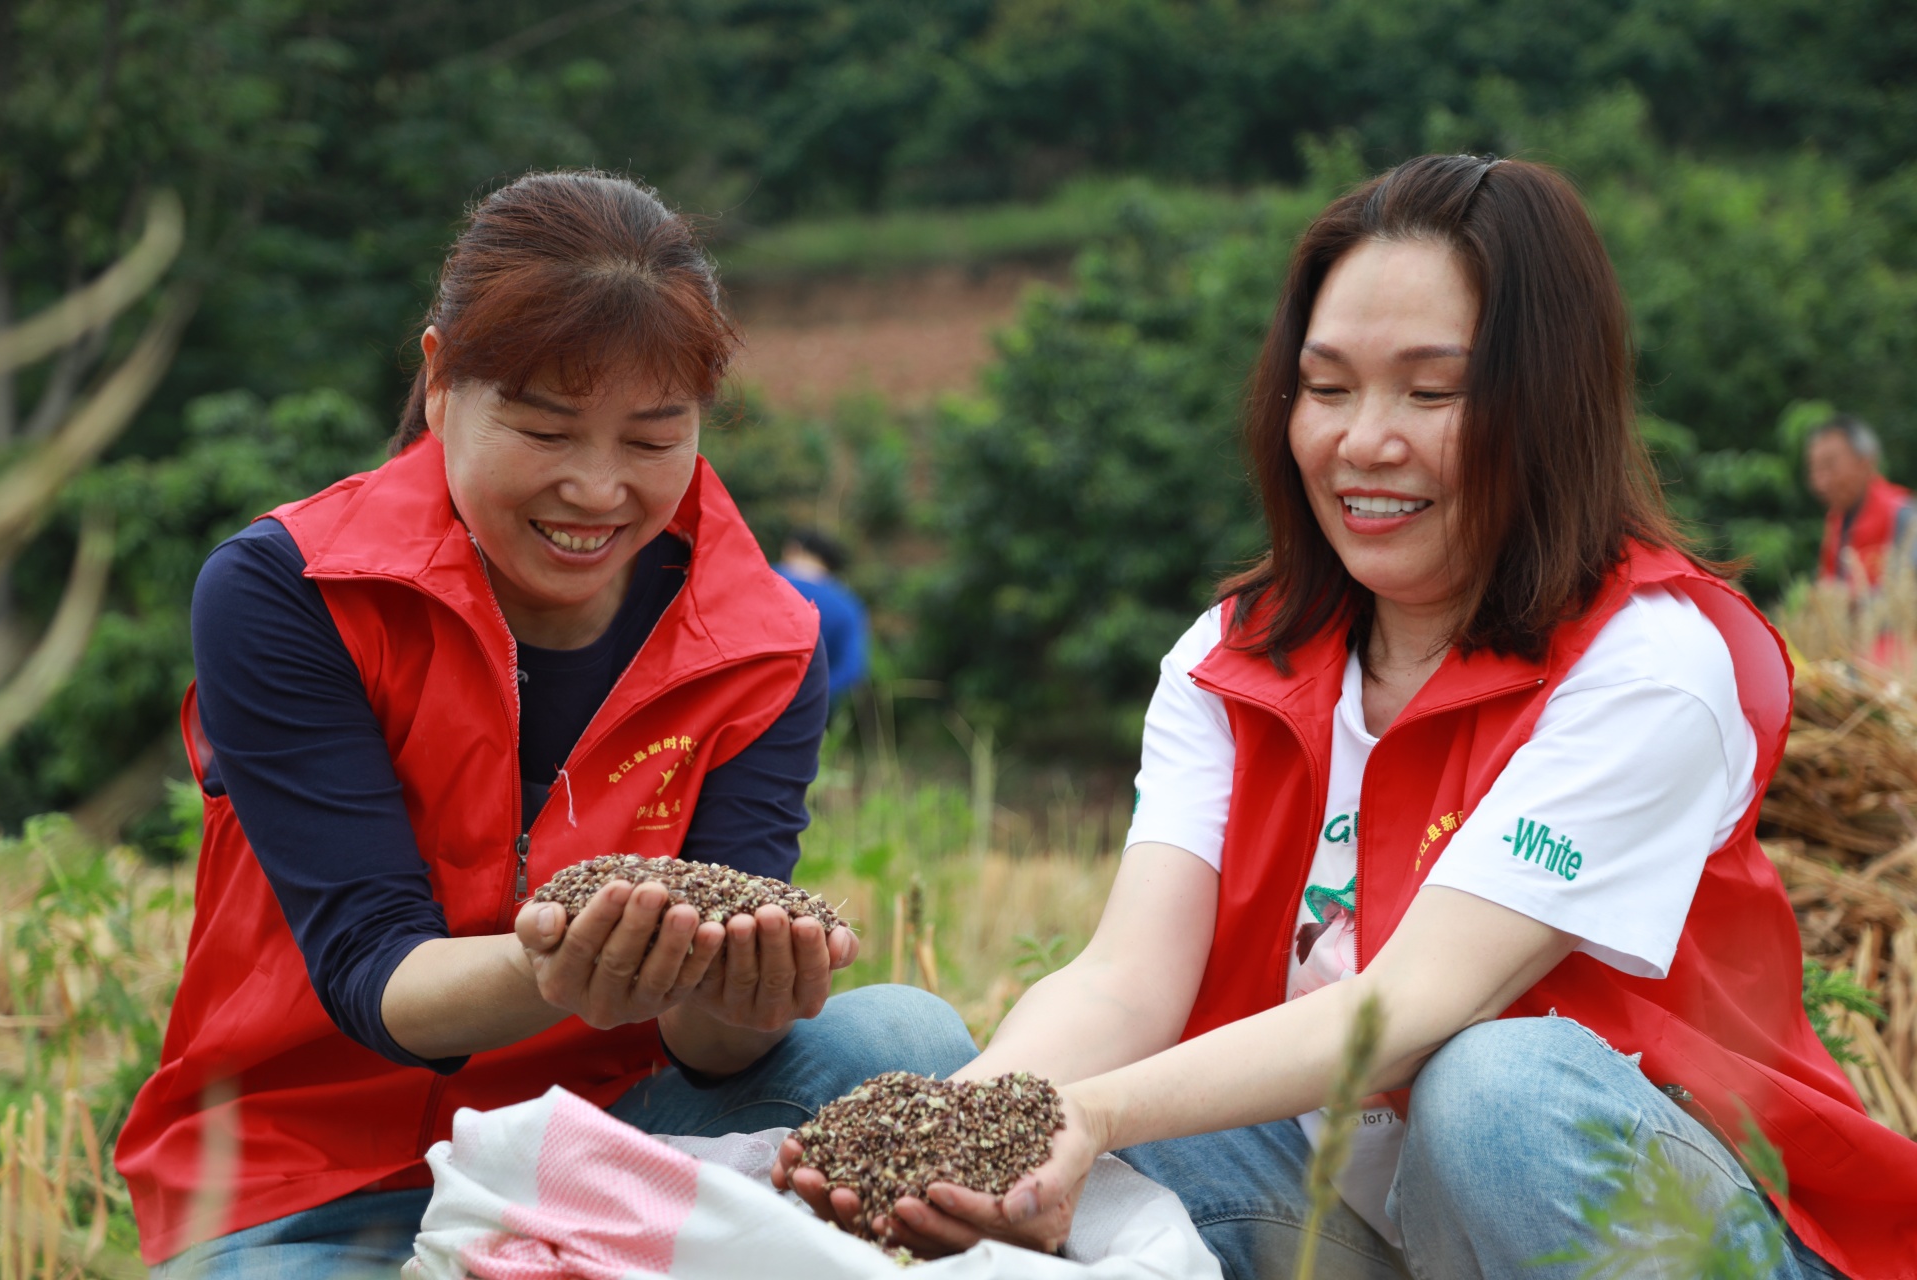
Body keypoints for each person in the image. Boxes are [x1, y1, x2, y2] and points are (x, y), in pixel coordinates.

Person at [777, 156, 1917, 1277]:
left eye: (1432, 391)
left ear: (1551, 402)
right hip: (1354, 1217)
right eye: (1326, 388)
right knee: (1042, 1132)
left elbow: (1412, 1004)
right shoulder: (1232, 658)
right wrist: (976, 1129)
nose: (1364, 441)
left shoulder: (1648, 662)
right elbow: (1129, 977)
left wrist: (1092, 1111)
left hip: (1642, 1217)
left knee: (1495, 1094)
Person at [116, 171, 975, 1277]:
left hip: (611, 1149)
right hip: (311, 1178)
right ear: (438, 381)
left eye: (654, 438)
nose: (597, 489)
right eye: (545, 427)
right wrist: (561, 969)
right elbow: (376, 974)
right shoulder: (296, 590)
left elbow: (709, 1048)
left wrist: (739, 993)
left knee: (906, 1036)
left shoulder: (768, 638)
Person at [1806, 414, 1914, 589]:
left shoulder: (1904, 516)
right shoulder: (1836, 521)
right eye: (1815, 469)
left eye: (1830, 466)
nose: (1820, 483)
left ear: (1865, 463)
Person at [776, 528, 870, 705]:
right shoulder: (850, 605)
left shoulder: (763, 580)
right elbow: (853, 669)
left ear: (793, 548)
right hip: (805, 716)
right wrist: (807, 699)